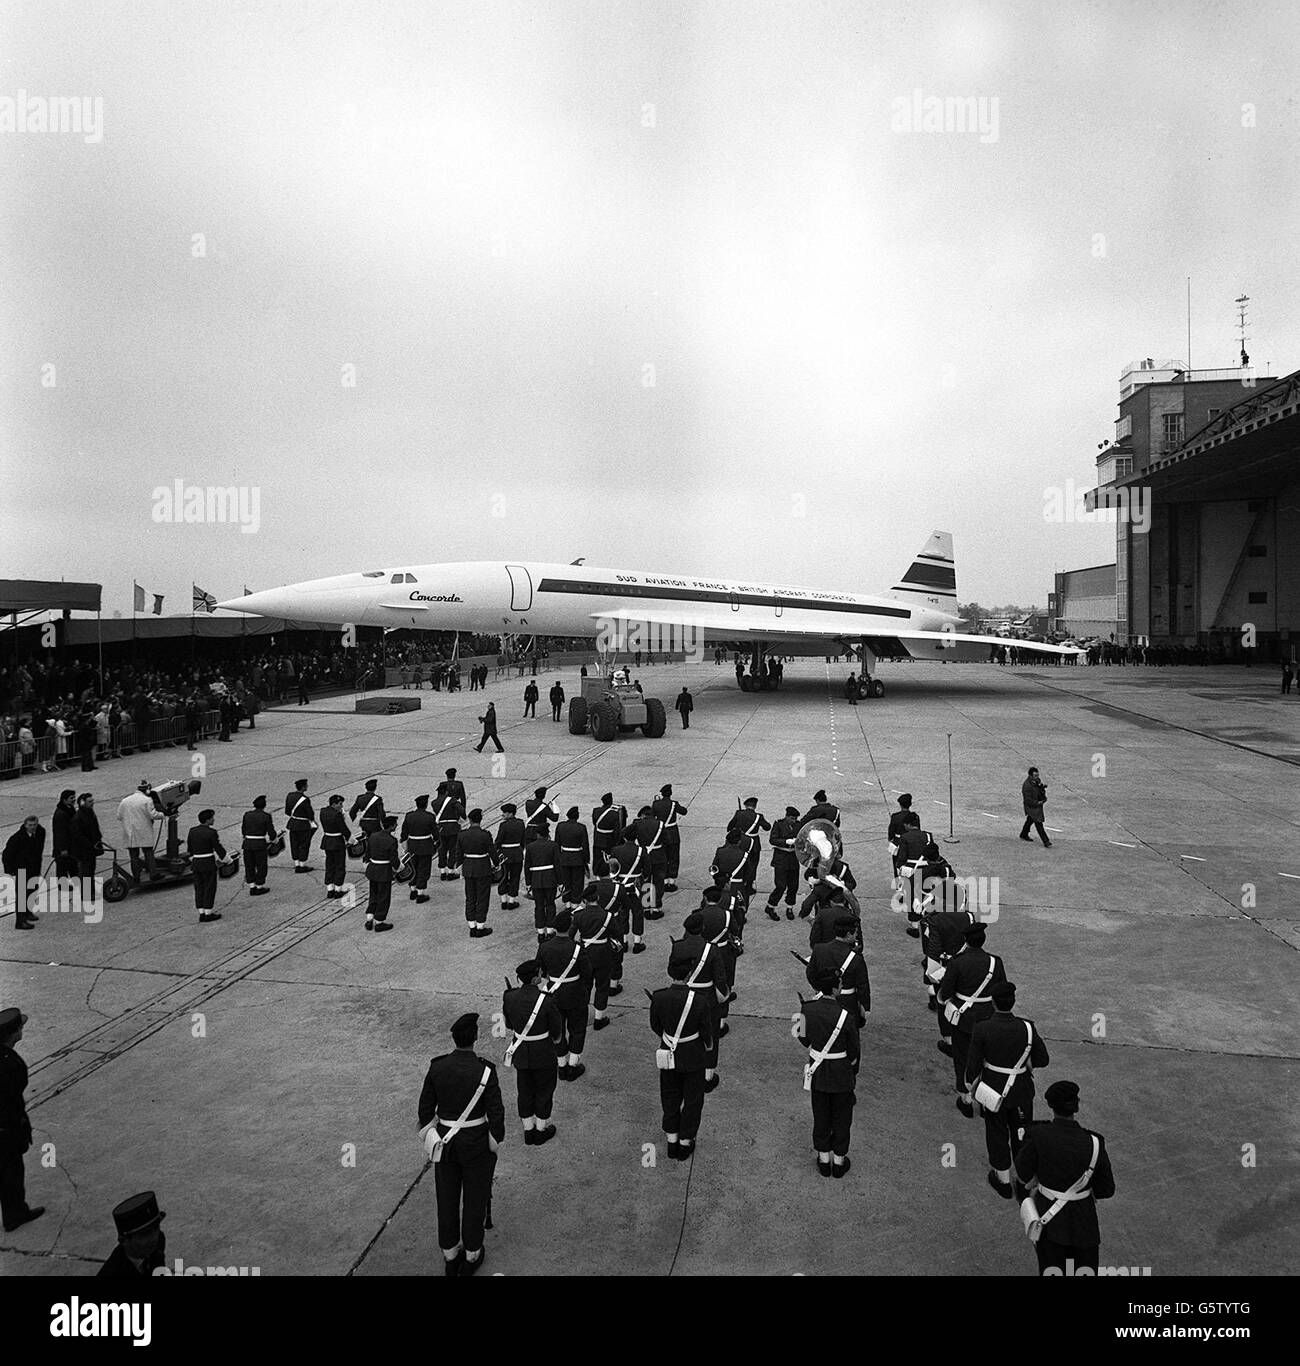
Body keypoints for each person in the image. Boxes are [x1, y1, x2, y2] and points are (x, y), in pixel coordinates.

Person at [418, 1012, 505, 1277]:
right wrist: (494, 1142)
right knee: (475, 1200)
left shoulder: (437, 1067)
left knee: (446, 1199)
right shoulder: (485, 1070)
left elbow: (424, 1111)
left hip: (445, 1145)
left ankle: (450, 1255)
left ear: (454, 1039)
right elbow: (496, 1113)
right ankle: (472, 1255)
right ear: (476, 1037)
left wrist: (432, 1136)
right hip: (476, 1142)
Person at [1014, 1080, 1115, 1276]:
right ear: (1076, 1105)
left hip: (1050, 1223)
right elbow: (1106, 1189)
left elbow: (1022, 1174)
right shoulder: (1095, 1142)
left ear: (1051, 1106)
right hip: (1085, 1225)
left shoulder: (1038, 1135)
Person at [966, 981, 1050, 1199]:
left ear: (993, 1003)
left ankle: (1003, 1181)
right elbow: (1043, 1059)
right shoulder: (1028, 1028)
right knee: (1022, 1134)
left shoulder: (982, 1028)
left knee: (996, 1133)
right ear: (1013, 1002)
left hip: (993, 1088)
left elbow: (973, 1063)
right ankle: (1023, 1184)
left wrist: (970, 1082)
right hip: (1021, 1090)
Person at [795, 966, 860, 1178]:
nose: (841, 986)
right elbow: (854, 1052)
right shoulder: (847, 1016)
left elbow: (799, 1034)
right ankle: (839, 1161)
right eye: (839, 984)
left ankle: (824, 1159)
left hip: (818, 1070)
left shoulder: (806, 1008)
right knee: (842, 1117)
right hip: (841, 1073)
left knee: (820, 1114)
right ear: (834, 988)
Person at [936, 924, 1006, 1116]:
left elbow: (945, 993)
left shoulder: (957, 963)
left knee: (963, 1057)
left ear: (966, 941)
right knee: (987, 1059)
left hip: (965, 1020)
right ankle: (985, 1101)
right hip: (989, 1018)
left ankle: (966, 1099)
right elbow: (1001, 990)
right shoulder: (995, 962)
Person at [649, 959, 715, 1161]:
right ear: (689, 975)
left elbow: (655, 1026)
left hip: (668, 1051)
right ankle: (685, 1142)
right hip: (693, 1054)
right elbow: (706, 1032)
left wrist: (670, 1039)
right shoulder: (700, 1000)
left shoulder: (658, 997)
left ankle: (671, 1140)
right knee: (693, 1099)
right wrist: (708, 1045)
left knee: (669, 1096)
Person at [502, 961, 563, 1146]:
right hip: (543, 1052)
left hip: (521, 1052)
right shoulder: (547, 999)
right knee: (544, 1091)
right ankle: (540, 1129)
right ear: (536, 978)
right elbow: (557, 1033)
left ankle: (528, 1130)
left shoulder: (510, 997)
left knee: (525, 1091)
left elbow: (509, 1025)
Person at [668, 911, 728, 1091]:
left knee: (685, 1032)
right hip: (706, 997)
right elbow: (719, 977)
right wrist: (723, 995)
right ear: (702, 929)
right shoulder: (712, 949)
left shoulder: (677, 947)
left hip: (684, 994)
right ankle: (708, 1076)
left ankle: (683, 1068)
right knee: (710, 1035)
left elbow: (671, 971)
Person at [0, 1007, 43, 1232]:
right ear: (14, 1033)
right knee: (12, 1171)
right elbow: (12, 1100)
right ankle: (15, 1214)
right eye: (20, 1028)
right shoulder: (11, 1065)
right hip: (6, 1129)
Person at [537, 912, 592, 1080]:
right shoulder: (577, 948)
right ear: (569, 927)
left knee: (557, 1030)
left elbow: (540, 971)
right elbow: (588, 973)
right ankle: (573, 1065)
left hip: (553, 993)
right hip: (575, 993)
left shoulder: (544, 947)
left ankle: (561, 1065)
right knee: (577, 1029)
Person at [574, 882, 625, 1033]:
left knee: (585, 986)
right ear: (597, 897)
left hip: (585, 954)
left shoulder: (578, 915)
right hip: (603, 953)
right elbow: (618, 934)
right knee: (602, 986)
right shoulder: (607, 916)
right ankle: (599, 1017)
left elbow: (571, 935)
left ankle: (582, 1017)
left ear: (585, 900)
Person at [809, 915, 871, 1027]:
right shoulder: (856, 958)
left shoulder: (819, 949)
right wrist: (865, 1008)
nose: (857, 935)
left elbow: (810, 974)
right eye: (855, 932)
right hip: (848, 1002)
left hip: (823, 999)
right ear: (848, 935)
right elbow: (863, 986)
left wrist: (821, 988)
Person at [97, 1191, 166, 1277]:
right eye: (144, 1234)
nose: (154, 1238)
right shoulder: (113, 1272)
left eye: (156, 1228)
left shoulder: (158, 1242)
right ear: (124, 1240)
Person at [456, 809, 497, 939]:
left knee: (470, 897)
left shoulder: (462, 835)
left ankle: (472, 926)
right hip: (482, 868)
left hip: (468, 868)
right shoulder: (485, 835)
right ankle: (480, 926)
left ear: (470, 820)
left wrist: (460, 866)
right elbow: (492, 852)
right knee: (483, 897)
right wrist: (497, 864)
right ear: (480, 820)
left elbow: (458, 853)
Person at [117, 780, 164, 883]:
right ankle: (153, 874)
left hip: (129, 832)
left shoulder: (125, 801)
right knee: (148, 853)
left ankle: (136, 876)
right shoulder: (147, 800)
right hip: (143, 831)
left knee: (134, 856)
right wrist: (163, 814)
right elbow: (153, 815)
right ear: (147, 790)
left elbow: (119, 816)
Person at [2, 817, 43, 930]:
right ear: (25, 825)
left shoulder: (40, 833)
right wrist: (10, 870)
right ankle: (20, 921)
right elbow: (6, 854)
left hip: (33, 869)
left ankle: (28, 913)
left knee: (31, 892)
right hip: (21, 870)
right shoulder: (17, 838)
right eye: (30, 825)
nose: (32, 827)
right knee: (21, 895)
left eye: (34, 825)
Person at [186, 808, 225, 923]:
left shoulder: (192, 831)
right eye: (212, 818)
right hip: (208, 862)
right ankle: (208, 912)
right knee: (209, 887)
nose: (213, 819)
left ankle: (201, 912)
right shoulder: (211, 832)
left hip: (196, 863)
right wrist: (227, 859)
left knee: (199, 887)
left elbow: (190, 848)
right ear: (207, 820)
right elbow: (218, 848)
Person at [764, 805, 803, 920]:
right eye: (791, 818)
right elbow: (773, 840)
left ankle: (789, 907)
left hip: (793, 859)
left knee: (793, 886)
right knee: (780, 886)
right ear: (786, 816)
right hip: (781, 859)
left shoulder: (798, 825)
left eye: (795, 818)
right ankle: (771, 906)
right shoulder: (779, 824)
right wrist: (786, 841)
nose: (793, 820)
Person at [727, 797, 769, 897]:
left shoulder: (738, 814)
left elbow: (729, 827)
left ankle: (740, 882)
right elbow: (767, 827)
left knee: (740, 862)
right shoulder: (759, 816)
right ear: (755, 806)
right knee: (753, 864)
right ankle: (749, 886)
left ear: (745, 805)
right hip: (753, 844)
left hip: (741, 843)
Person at [364, 816, 400, 933]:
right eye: (395, 824)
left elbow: (367, 853)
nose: (396, 826)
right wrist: (399, 868)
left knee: (373, 894)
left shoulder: (373, 836)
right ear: (391, 826)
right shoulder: (391, 840)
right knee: (383, 896)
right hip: (384, 870)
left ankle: (369, 918)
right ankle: (379, 921)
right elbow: (394, 860)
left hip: (373, 869)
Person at [650, 784, 687, 893]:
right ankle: (672, 881)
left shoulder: (656, 804)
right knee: (674, 857)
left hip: (661, 834)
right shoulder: (674, 804)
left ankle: (665, 880)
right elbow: (684, 812)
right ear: (670, 794)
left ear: (662, 794)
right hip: (673, 833)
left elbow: (652, 816)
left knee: (663, 857)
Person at [401, 795, 438, 904]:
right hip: (425, 845)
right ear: (426, 805)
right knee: (424, 869)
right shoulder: (430, 816)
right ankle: (420, 893)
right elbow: (435, 833)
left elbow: (404, 833)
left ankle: (412, 889)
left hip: (412, 845)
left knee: (413, 867)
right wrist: (436, 841)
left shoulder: (409, 816)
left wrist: (405, 846)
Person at [632, 805, 668, 915]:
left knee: (646, 882)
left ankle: (646, 907)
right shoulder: (661, 824)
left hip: (644, 857)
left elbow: (624, 832)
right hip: (659, 856)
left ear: (643, 815)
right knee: (658, 882)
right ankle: (656, 907)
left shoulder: (637, 824)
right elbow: (667, 840)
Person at [241, 795, 276, 897]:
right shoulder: (266, 816)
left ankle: (252, 886)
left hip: (247, 843)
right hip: (259, 843)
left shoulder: (247, 815)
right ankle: (259, 886)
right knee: (261, 865)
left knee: (249, 865)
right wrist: (274, 839)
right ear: (264, 805)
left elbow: (243, 829)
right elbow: (271, 831)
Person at [554, 807, 590, 909]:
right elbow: (585, 845)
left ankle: (567, 903)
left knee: (566, 881)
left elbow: (557, 843)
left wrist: (558, 858)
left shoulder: (560, 826)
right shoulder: (581, 827)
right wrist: (586, 860)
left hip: (564, 857)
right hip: (577, 858)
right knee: (577, 883)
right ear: (577, 817)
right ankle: (575, 904)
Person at [494, 803, 526, 911]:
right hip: (517, 853)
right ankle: (512, 901)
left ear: (510, 813)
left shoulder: (504, 825)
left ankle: (504, 900)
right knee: (515, 877)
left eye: (505, 813)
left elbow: (498, 841)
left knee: (503, 876)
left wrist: (497, 852)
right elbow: (523, 841)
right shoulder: (521, 823)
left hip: (505, 854)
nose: (503, 815)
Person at [319, 795, 351, 899]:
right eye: (340, 804)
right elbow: (343, 829)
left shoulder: (323, 811)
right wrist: (351, 839)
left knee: (330, 864)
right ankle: (338, 890)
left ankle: (330, 889)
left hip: (327, 841)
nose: (341, 806)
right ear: (334, 804)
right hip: (337, 842)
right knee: (339, 865)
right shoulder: (337, 815)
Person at [284, 778, 316, 873]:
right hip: (303, 825)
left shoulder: (289, 796)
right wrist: (311, 821)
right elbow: (310, 814)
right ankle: (302, 865)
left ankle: (296, 863)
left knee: (294, 844)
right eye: (306, 785)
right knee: (304, 844)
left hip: (293, 823)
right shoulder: (305, 799)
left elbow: (287, 811)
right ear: (303, 787)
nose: (307, 786)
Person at [435, 785, 465, 882]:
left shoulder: (434, 803)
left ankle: (442, 872)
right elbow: (461, 810)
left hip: (441, 828)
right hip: (453, 828)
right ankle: (451, 871)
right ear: (446, 792)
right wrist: (462, 817)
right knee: (453, 849)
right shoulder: (452, 800)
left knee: (442, 849)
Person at [591, 793, 625, 877]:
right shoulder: (614, 814)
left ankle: (597, 872)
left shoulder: (596, 811)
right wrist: (617, 841)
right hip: (609, 839)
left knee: (598, 857)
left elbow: (594, 823)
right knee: (610, 857)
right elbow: (617, 830)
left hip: (598, 838)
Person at [71, 794, 103, 882]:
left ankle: (90, 892)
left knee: (90, 872)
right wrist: (90, 845)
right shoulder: (78, 817)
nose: (92, 803)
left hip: (91, 849)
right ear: (82, 802)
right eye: (89, 801)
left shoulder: (90, 813)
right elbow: (78, 835)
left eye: (92, 801)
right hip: (84, 851)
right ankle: (86, 894)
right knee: (86, 872)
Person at [349, 779, 386, 849]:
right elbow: (381, 813)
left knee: (366, 842)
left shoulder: (360, 798)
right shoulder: (377, 799)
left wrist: (353, 822)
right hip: (375, 824)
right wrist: (384, 823)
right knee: (376, 843)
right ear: (375, 788)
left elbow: (352, 812)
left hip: (364, 824)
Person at [1019, 766, 1051, 847]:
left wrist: (1042, 787)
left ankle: (1024, 834)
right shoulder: (1027, 786)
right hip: (1032, 806)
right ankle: (1046, 841)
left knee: (1030, 819)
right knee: (1038, 823)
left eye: (1038, 775)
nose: (1037, 777)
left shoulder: (1036, 781)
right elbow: (1028, 800)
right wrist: (1038, 802)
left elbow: (1038, 789)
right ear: (1030, 776)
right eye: (1035, 775)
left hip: (1036, 805)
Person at [51, 789, 78, 878]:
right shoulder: (61, 814)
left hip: (71, 845)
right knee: (62, 868)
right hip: (63, 847)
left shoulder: (70, 809)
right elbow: (60, 833)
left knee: (72, 865)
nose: (74, 799)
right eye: (71, 798)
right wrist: (63, 849)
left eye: (74, 797)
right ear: (64, 800)